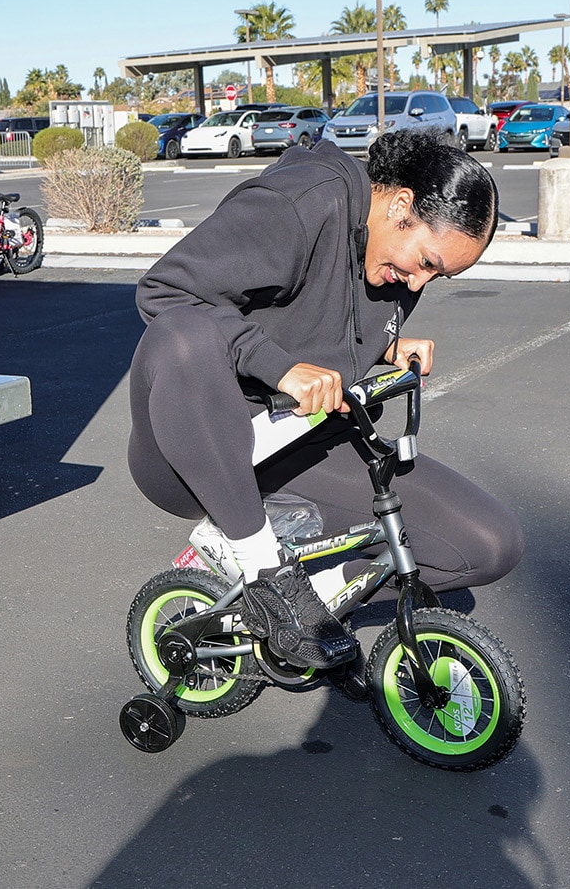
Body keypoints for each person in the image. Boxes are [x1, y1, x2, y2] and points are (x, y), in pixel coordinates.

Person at [127, 126, 523, 669]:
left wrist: (385, 348)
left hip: (302, 442)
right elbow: (165, 292)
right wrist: (279, 368)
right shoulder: (299, 205)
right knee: (183, 335)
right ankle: (261, 564)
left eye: (439, 277)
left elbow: (320, 323)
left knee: (489, 543)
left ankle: (299, 593)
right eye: (427, 262)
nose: (417, 286)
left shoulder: (387, 257)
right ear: (401, 204)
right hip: (197, 451)